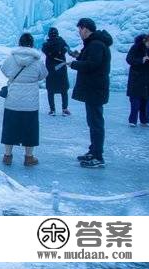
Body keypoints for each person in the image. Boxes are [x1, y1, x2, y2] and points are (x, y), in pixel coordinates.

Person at [69, 18, 113, 169]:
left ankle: (98, 156)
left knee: (96, 123)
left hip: (95, 89)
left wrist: (74, 64)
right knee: (93, 121)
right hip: (94, 89)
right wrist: (78, 57)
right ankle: (93, 151)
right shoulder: (94, 44)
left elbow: (93, 64)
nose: (79, 33)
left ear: (85, 29)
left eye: (80, 29)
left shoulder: (96, 44)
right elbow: (91, 61)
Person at [0, 33, 48, 167]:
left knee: (10, 127)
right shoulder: (37, 60)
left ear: (19, 43)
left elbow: (4, 70)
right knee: (30, 128)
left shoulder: (11, 58)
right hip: (30, 101)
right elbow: (44, 74)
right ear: (32, 44)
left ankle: (7, 156)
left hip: (13, 99)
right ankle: (28, 157)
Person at [126, 31, 149, 127]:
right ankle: (132, 121)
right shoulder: (136, 47)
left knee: (146, 100)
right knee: (135, 100)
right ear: (145, 41)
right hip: (136, 77)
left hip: (148, 77)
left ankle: (145, 120)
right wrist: (141, 60)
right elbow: (129, 59)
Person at [41, 27, 71, 116]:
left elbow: (45, 51)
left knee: (51, 90)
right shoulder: (62, 42)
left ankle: (52, 110)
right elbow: (66, 49)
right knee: (63, 90)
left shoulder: (46, 44)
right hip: (61, 68)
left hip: (51, 69)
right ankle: (64, 109)